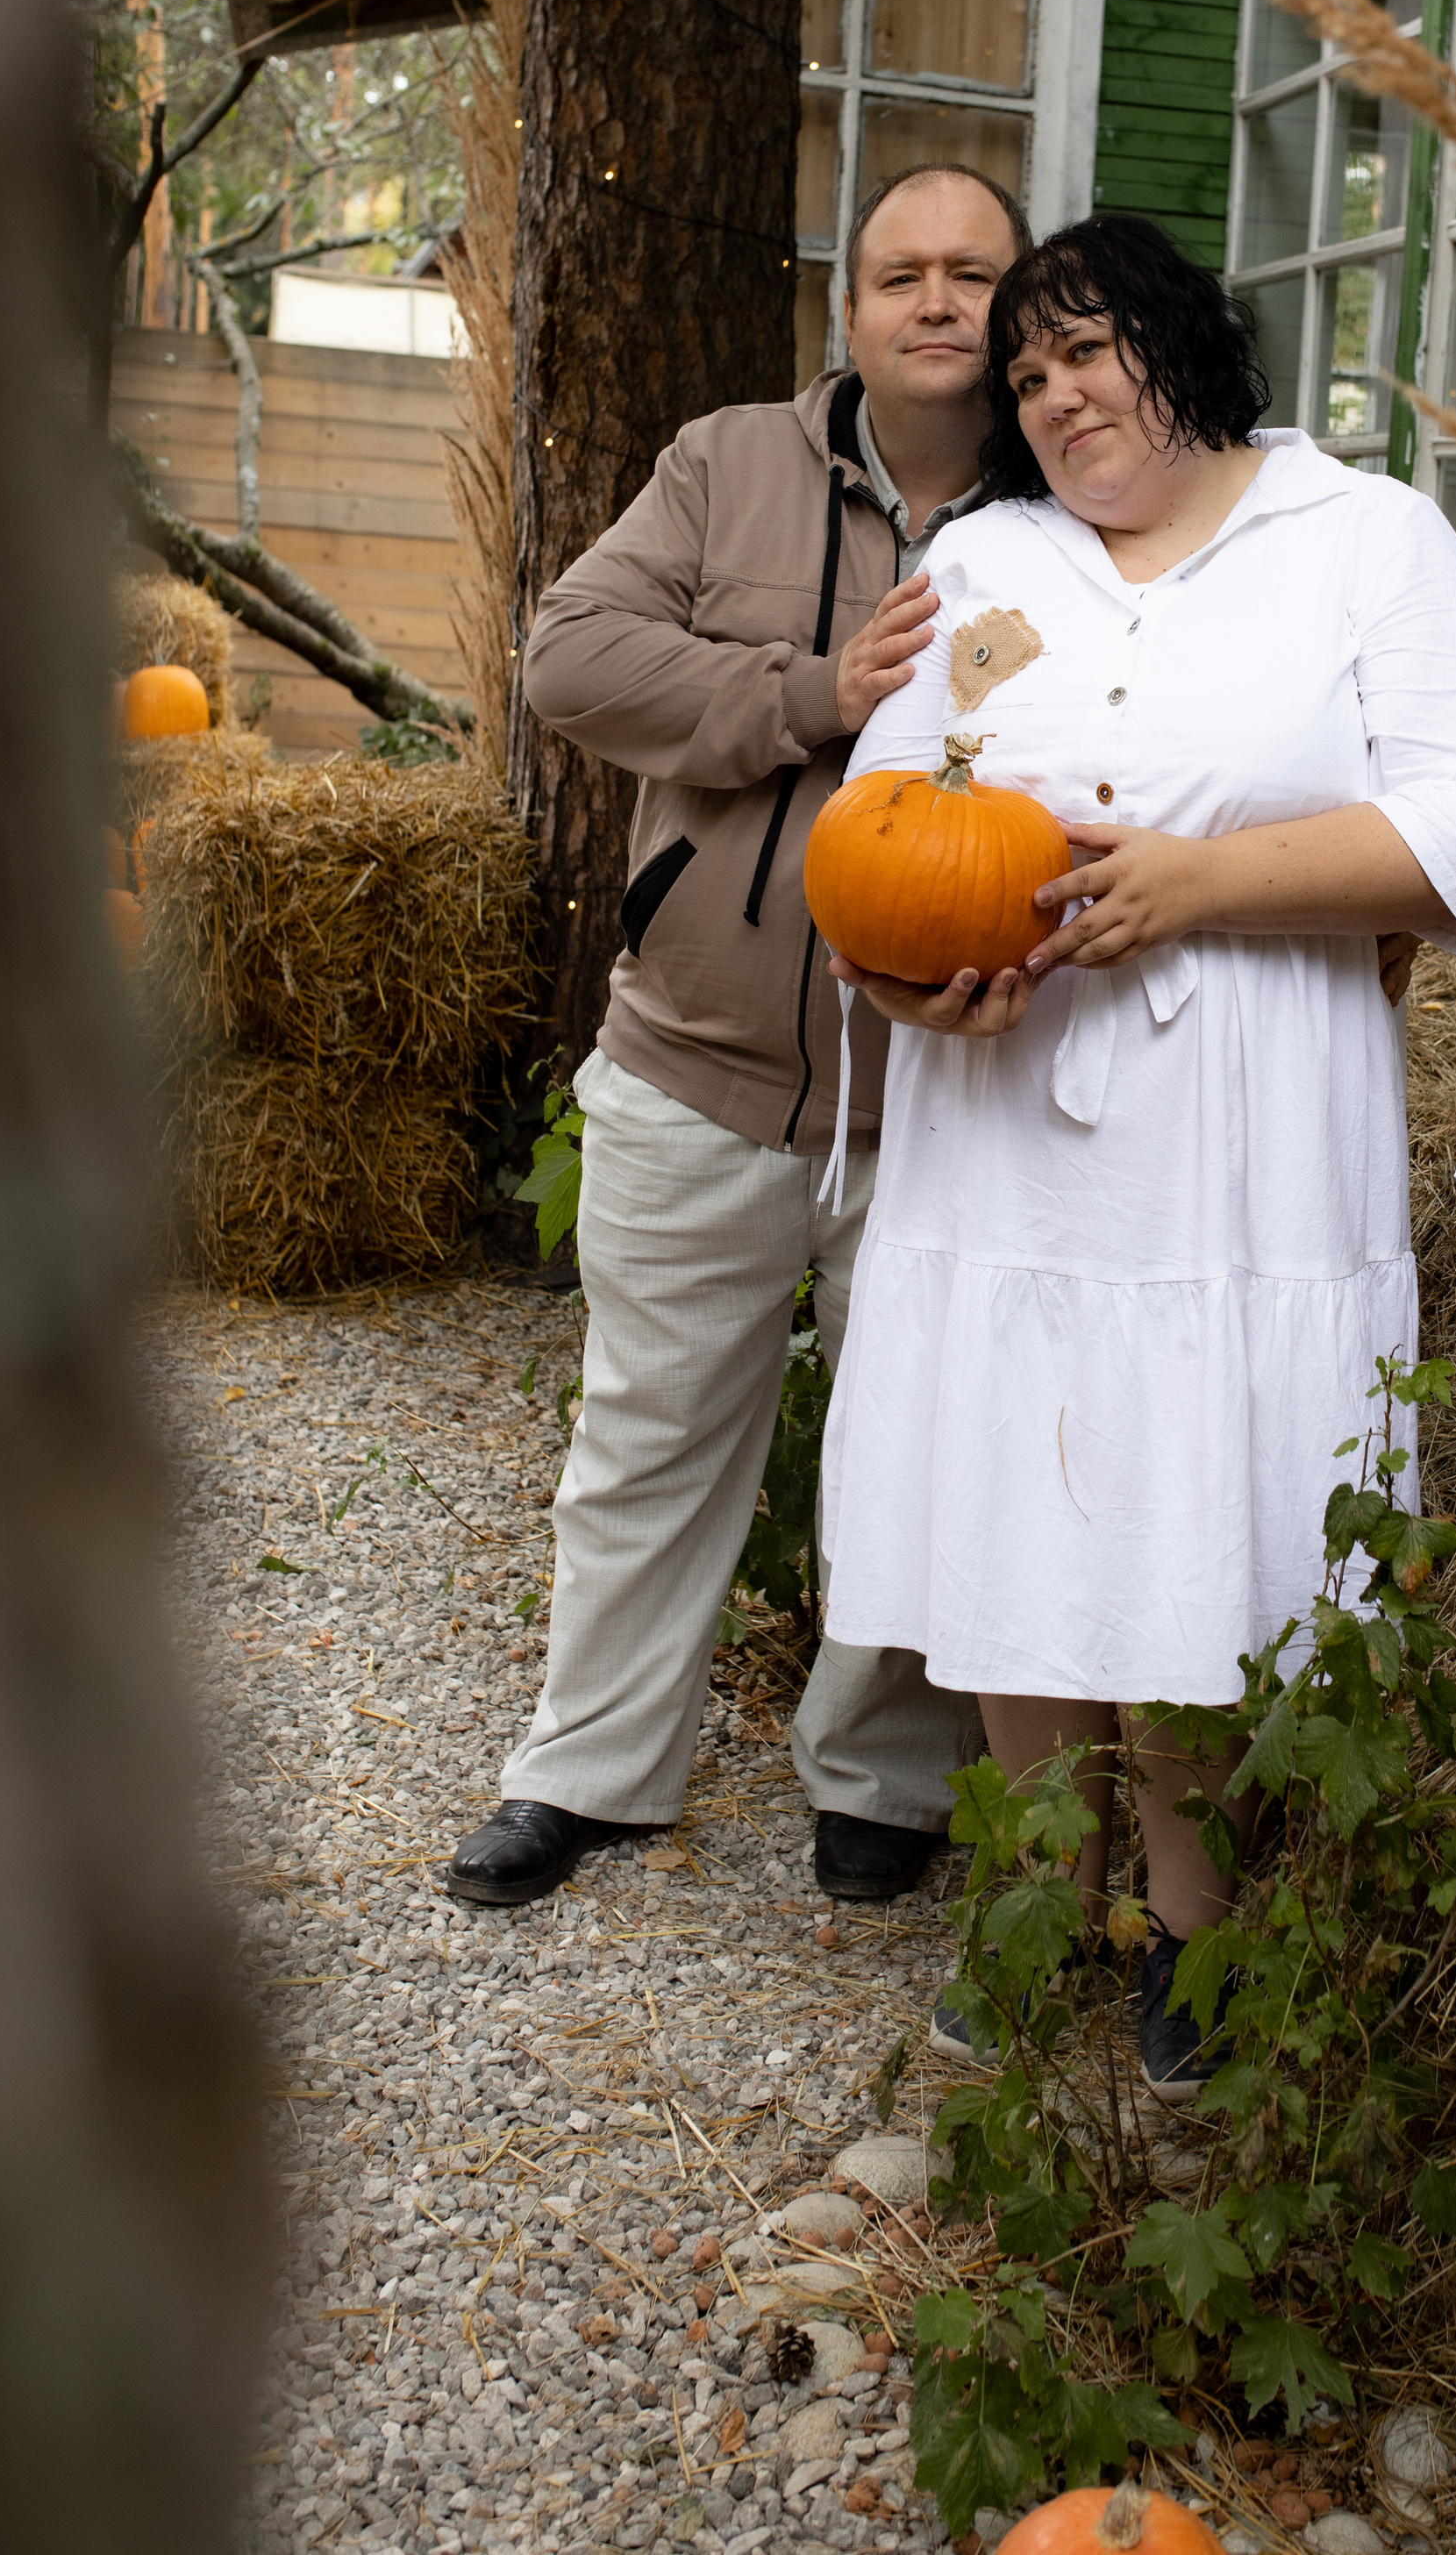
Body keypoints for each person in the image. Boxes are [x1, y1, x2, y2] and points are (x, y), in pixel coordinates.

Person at [814, 213, 1456, 2090]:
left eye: (1088, 352)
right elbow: (889, 813)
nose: (1053, 396)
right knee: (1011, 1499)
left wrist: (1202, 886)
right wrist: (908, 988)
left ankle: (1190, 1922)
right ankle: (1048, 1889)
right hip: (1010, 1133)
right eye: (1027, 375)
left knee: (1192, 1500)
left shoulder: (1357, 537)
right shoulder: (985, 560)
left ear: (1183, 344)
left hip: (1241, 1128)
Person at [446, 164, 1027, 1912]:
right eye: (897, 273)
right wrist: (810, 694)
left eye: (973, 275)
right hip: (695, 1059)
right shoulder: (728, 465)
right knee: (646, 1430)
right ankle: (589, 1770)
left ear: (1022, 309)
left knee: (912, 1444)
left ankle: (882, 1779)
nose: (934, 300)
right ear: (846, 312)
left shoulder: (1069, 510)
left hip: (941, 1087)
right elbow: (574, 663)